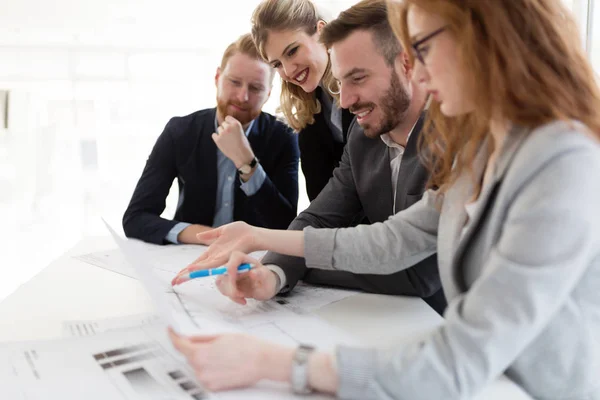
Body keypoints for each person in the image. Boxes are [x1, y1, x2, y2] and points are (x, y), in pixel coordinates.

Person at [169, 0, 600, 399]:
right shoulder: (484, 150)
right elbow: (392, 240)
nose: (422, 75)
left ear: (482, 37)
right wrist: (265, 248)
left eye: (424, 50)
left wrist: (276, 362)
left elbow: (456, 360)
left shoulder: (563, 162)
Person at [174, 0, 446, 314]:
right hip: (384, 311)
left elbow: (419, 273)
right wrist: (272, 275)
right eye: (340, 82)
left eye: (357, 79)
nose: (343, 102)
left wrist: (285, 255)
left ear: (408, 65)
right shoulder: (360, 136)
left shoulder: (457, 136)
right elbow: (318, 216)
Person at [122, 34, 300, 245]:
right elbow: (135, 218)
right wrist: (205, 236)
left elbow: (285, 226)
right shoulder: (180, 131)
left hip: (253, 259)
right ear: (217, 78)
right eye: (234, 82)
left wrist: (247, 163)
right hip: (189, 254)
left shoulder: (284, 136)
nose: (242, 96)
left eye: (255, 88)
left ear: (268, 93)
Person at [251, 0, 354, 200]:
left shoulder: (365, 86)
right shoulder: (309, 109)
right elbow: (319, 197)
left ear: (322, 32)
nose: (288, 71)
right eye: (277, 64)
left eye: (292, 51)